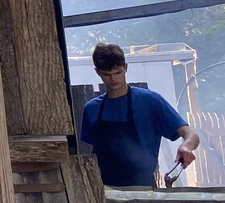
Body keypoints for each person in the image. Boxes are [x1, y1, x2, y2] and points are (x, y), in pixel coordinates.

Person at [80, 42, 200, 187]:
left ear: (125, 67)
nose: (113, 79)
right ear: (97, 72)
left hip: (143, 189)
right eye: (107, 74)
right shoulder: (92, 109)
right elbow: (87, 155)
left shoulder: (149, 101)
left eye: (117, 72)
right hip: (103, 189)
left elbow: (191, 134)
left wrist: (186, 147)